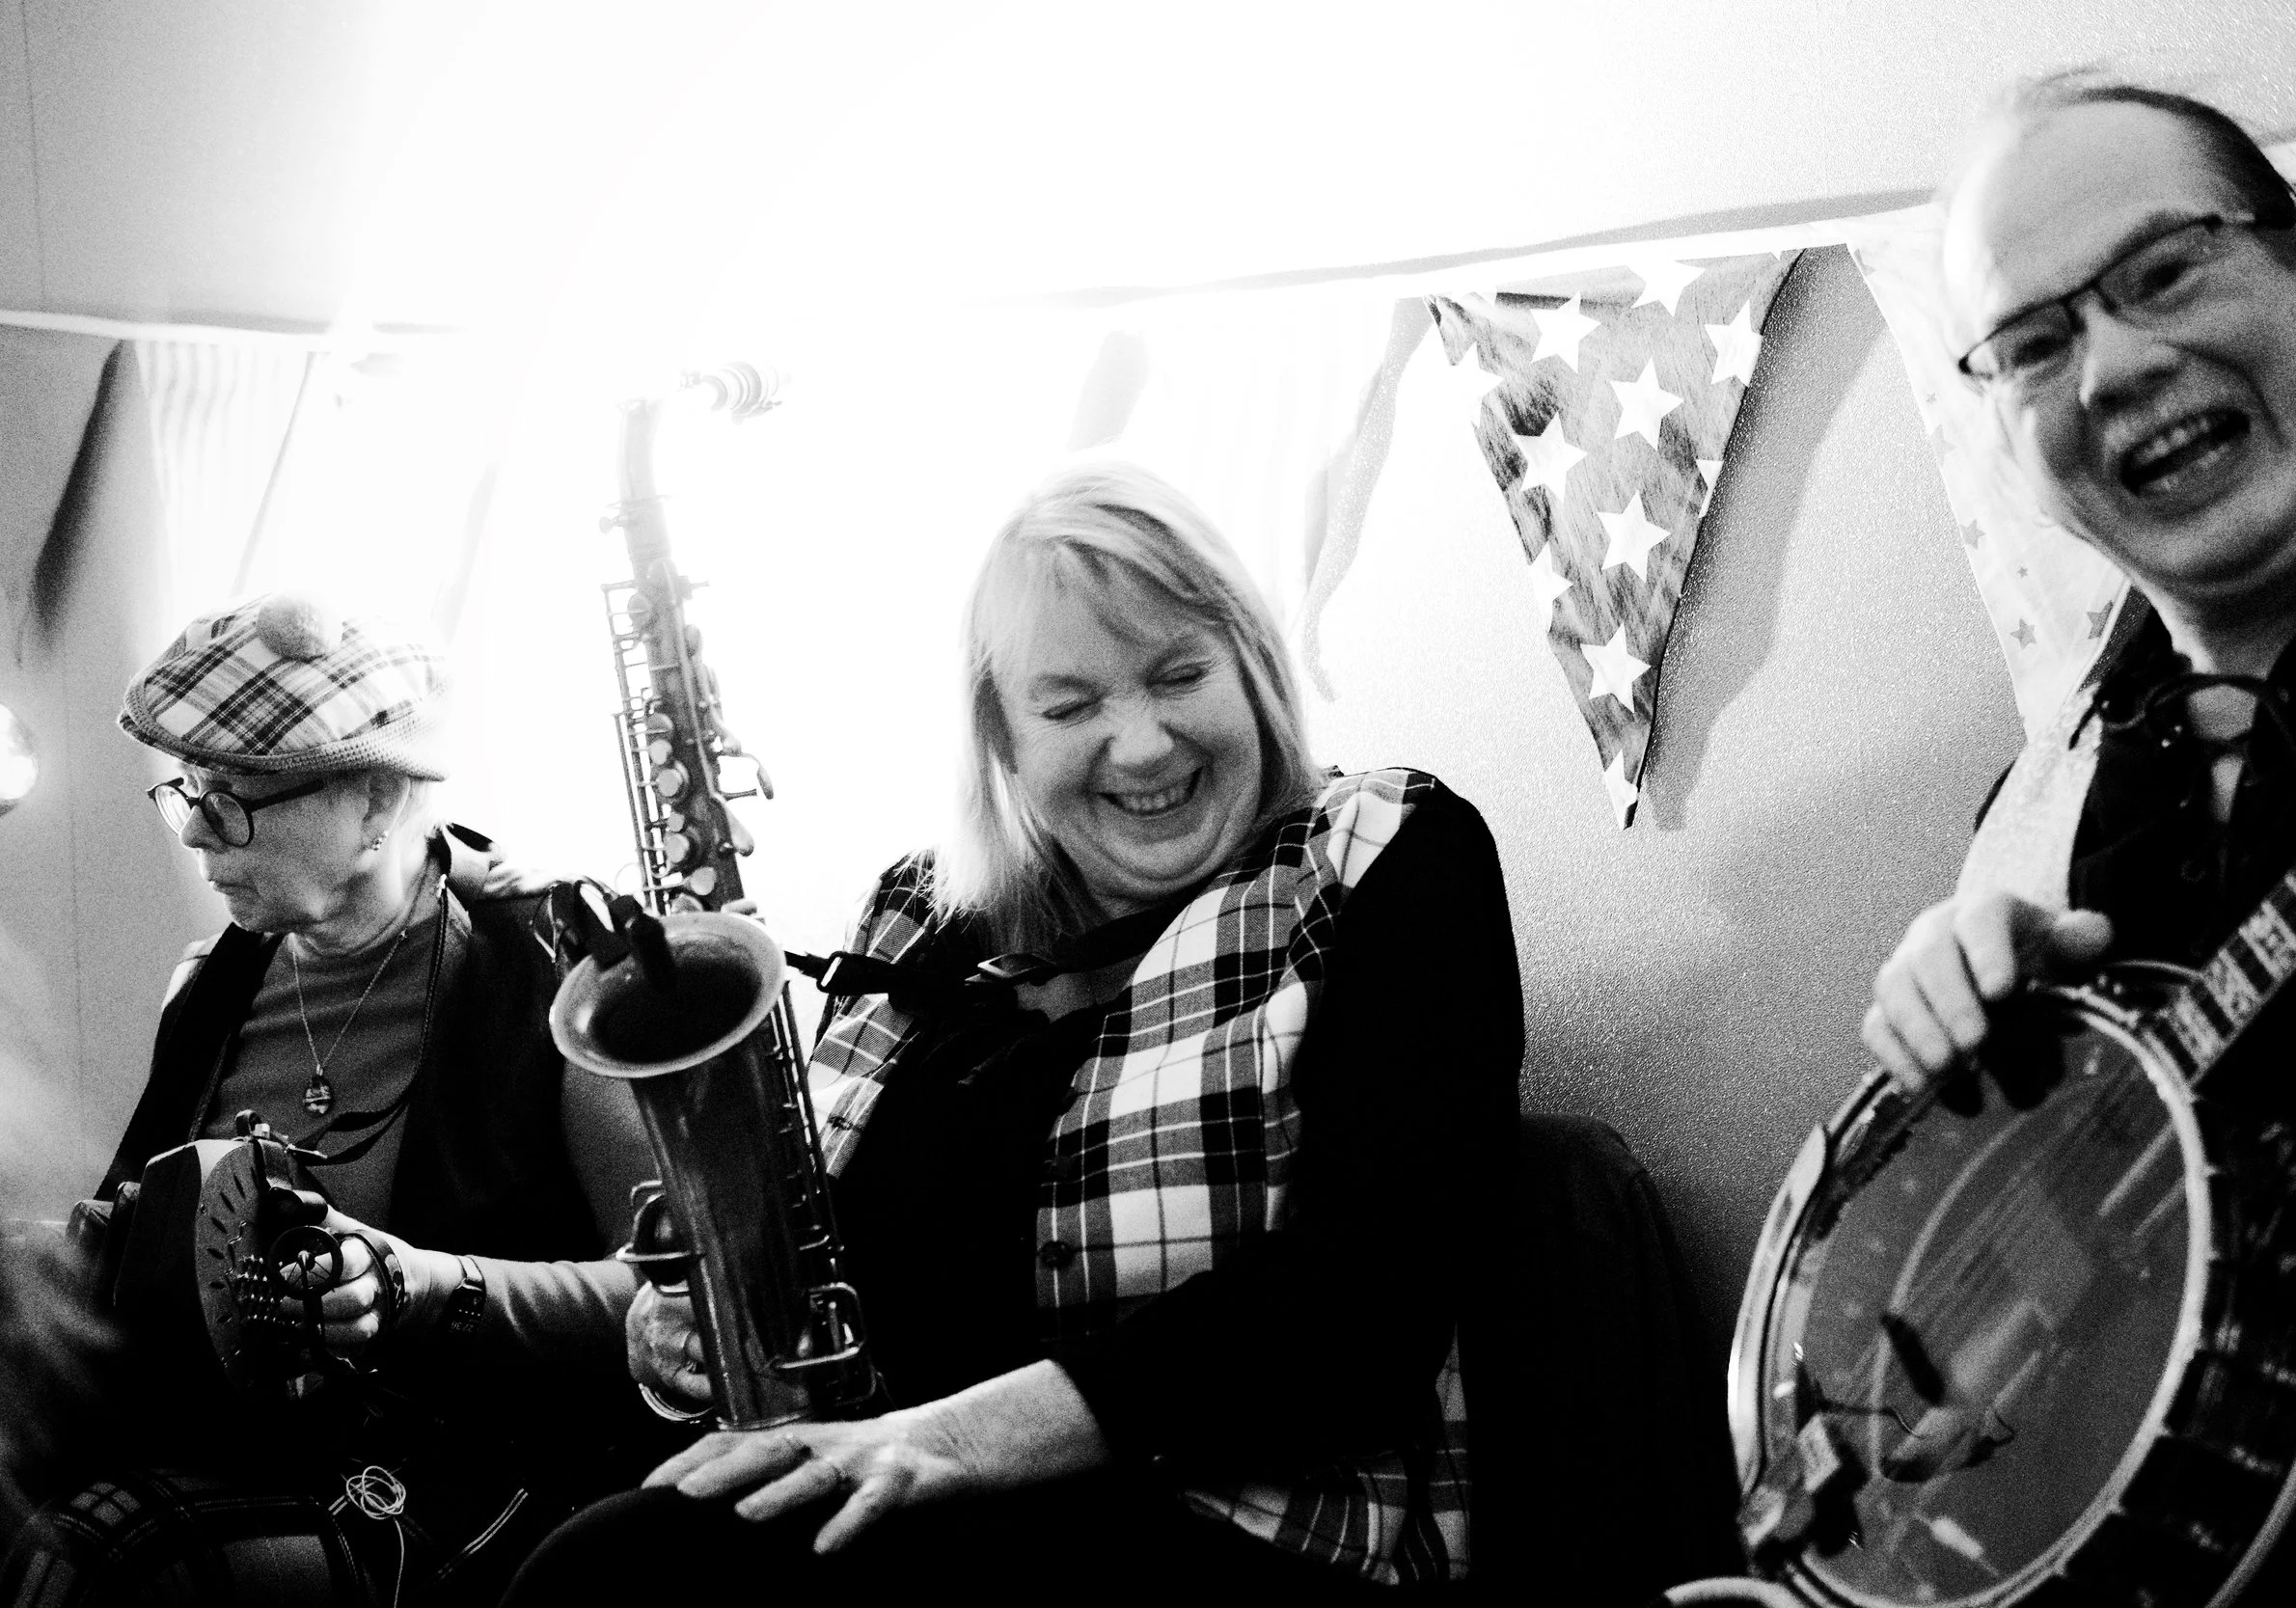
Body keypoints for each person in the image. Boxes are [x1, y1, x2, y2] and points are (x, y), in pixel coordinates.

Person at [505, 463, 1525, 1602]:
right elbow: (827, 1252)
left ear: (1254, 668)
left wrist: (940, 1440)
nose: (1141, 745)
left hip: (1251, 1550)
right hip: (913, 1518)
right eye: (1070, 703)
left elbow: (1359, 1312)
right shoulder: (920, 910)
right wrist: (693, 1327)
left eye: (1179, 673)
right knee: (593, 1553)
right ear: (1000, 726)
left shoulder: (1384, 850)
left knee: (612, 1581)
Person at [1860, 77, 2296, 1602]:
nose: (2110, 366)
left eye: (2164, 272)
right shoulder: (2032, 819)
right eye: (2031, 344)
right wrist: (1971, 1084)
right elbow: (2025, 1403)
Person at [2, 594, 663, 1606]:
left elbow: (666, 1293)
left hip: (466, 1469)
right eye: (189, 789)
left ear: (377, 802)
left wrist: (417, 1284)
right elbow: (155, 1265)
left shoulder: (554, 970)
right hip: (246, 1444)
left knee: (112, 1554)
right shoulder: (209, 985)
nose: (195, 831)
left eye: (235, 795)